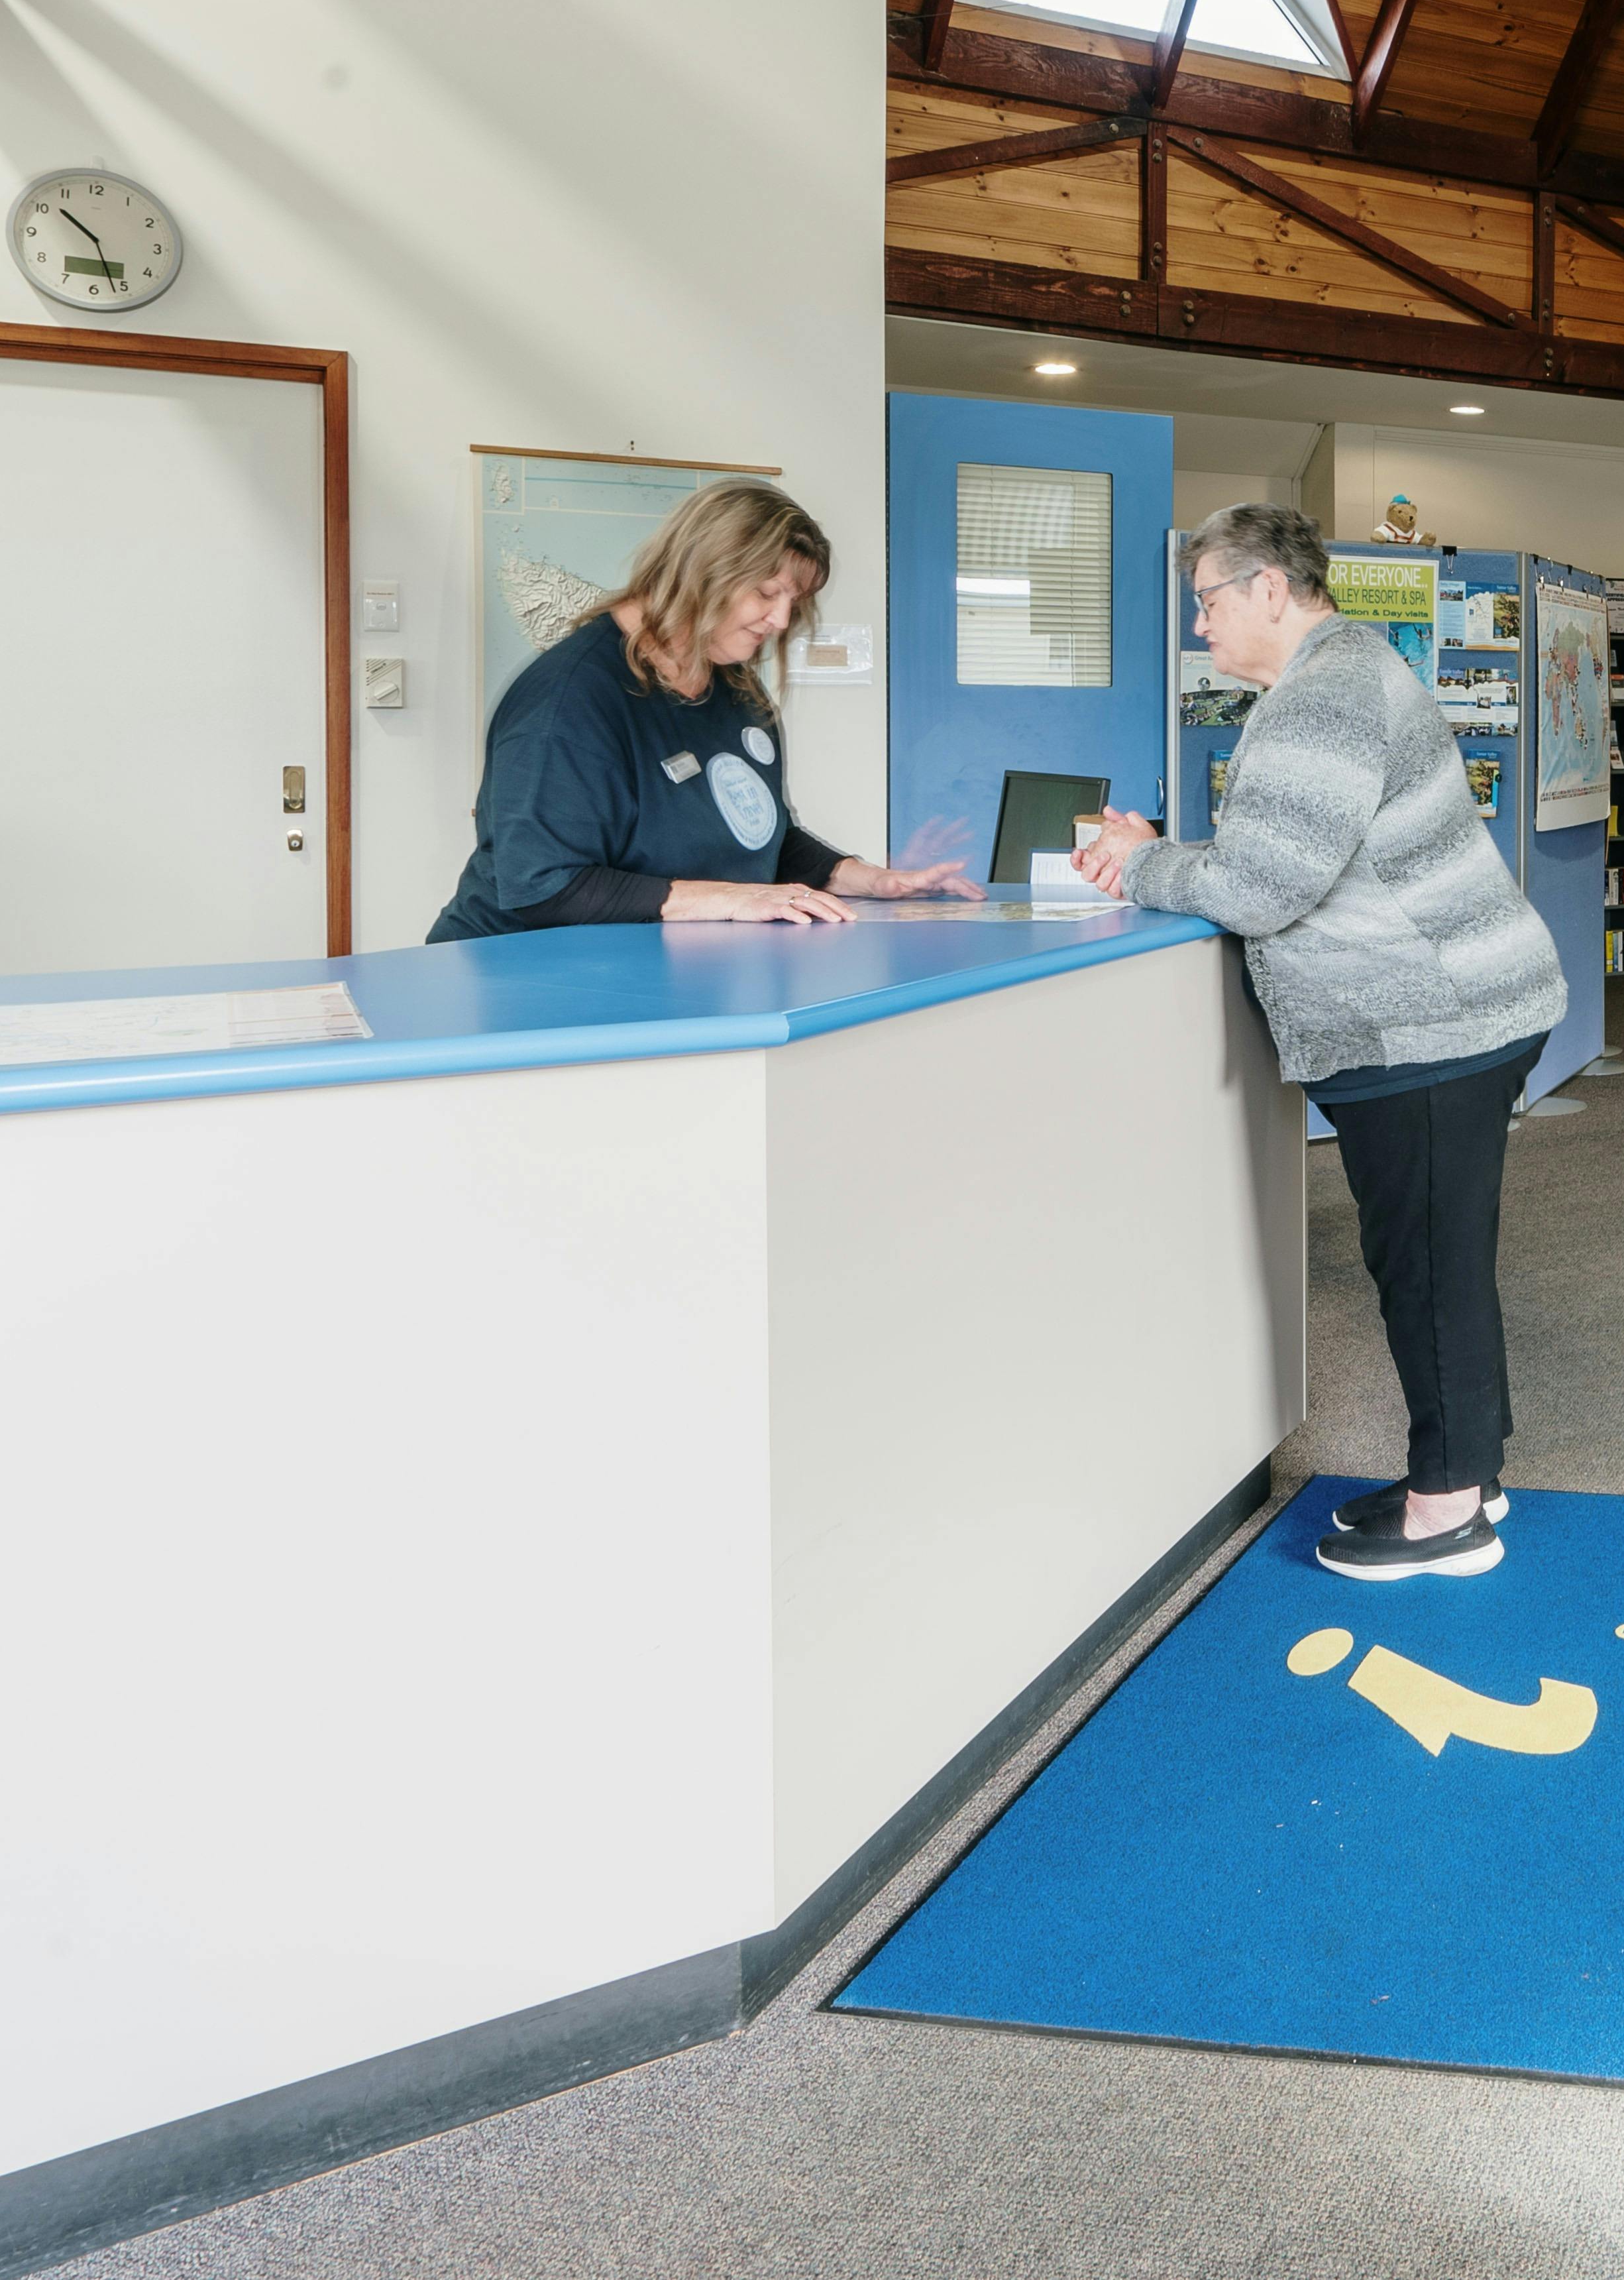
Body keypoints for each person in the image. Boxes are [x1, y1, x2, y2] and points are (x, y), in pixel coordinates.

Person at [1079, 503, 1567, 1583]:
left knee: (1426, 1267)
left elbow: (1261, 887)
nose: (1200, 625)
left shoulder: (1324, 695)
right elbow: (1291, 848)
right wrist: (1175, 853)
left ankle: (1450, 1517)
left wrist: (1141, 865)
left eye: (1208, 601)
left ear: (1267, 588)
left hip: (1430, 1023)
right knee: (1437, 1258)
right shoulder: (1338, 673)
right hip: (1450, 1010)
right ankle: (1466, 1474)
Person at [430, 479, 977, 940]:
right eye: (766, 592)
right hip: (517, 976)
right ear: (701, 571)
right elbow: (545, 888)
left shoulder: (733, 685)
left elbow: (760, 835)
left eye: (795, 601)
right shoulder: (567, 701)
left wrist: (872, 880)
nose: (781, 620)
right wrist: (735, 899)